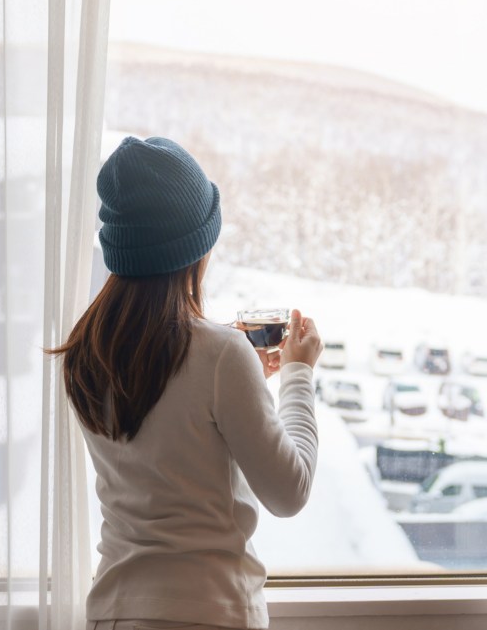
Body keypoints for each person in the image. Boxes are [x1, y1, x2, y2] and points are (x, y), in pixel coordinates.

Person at [48, 136, 324, 630]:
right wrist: (298, 374)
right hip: (208, 612)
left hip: (114, 611)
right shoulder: (219, 355)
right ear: (194, 247)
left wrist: (241, 386)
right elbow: (290, 492)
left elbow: (165, 441)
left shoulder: (85, 351)